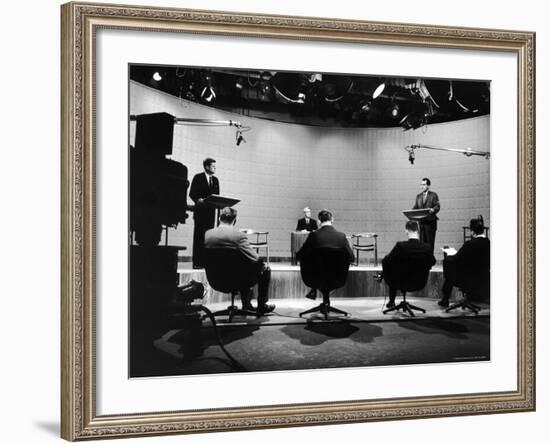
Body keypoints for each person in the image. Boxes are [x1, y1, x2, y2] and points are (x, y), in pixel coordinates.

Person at [204, 207, 275, 315]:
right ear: (235, 220)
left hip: (215, 280)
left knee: (242, 267)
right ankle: (261, 306)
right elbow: (256, 258)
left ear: (219, 218)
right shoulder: (238, 236)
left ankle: (248, 305)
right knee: (264, 269)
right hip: (236, 281)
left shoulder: (207, 234)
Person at [296, 209, 354, 300]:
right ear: (332, 220)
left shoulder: (313, 236)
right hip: (337, 278)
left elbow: (299, 255)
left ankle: (314, 290)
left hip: (315, 278)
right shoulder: (341, 237)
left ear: (319, 221)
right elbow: (352, 258)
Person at [381, 220, 436, 308]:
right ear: (418, 231)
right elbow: (432, 262)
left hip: (400, 282)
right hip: (419, 282)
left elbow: (386, 261)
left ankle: (392, 301)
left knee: (393, 269)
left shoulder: (400, 246)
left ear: (406, 230)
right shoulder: (426, 247)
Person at [438, 217, 490, 307]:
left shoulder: (469, 244)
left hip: (467, 278)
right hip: (483, 277)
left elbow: (456, 258)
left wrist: (448, 256)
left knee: (448, 264)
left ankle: (445, 299)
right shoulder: (489, 243)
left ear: (472, 231)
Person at [189, 158, 220, 269]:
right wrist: (198, 200)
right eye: (213, 166)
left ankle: (206, 262)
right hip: (200, 213)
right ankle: (197, 262)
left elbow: (217, 196)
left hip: (211, 214)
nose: (215, 168)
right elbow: (192, 193)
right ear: (206, 167)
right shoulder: (198, 177)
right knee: (199, 237)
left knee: (208, 238)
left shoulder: (216, 180)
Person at [412, 177, 440, 254]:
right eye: (421, 184)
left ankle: (429, 263)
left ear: (428, 186)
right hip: (421, 223)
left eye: (424, 184)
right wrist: (410, 213)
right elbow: (415, 207)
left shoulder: (433, 195)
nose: (422, 186)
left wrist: (433, 210)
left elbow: (437, 206)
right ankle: (423, 263)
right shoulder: (418, 196)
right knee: (422, 244)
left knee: (430, 244)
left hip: (430, 223)